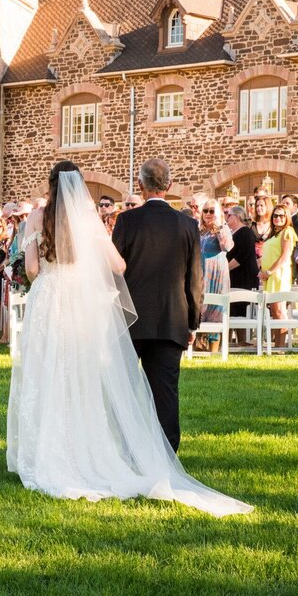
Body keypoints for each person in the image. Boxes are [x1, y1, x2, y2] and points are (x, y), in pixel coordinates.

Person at [7, 159, 250, 516]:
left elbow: (30, 269)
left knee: (48, 375)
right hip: (95, 306)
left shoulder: (37, 218)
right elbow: (119, 266)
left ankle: (49, 451)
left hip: (50, 302)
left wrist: (46, 274)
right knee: (86, 379)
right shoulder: (94, 221)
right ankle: (114, 453)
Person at [111, 159, 202, 454]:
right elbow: (194, 280)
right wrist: (192, 322)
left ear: (140, 186)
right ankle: (166, 456)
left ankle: (124, 451)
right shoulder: (188, 225)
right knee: (166, 394)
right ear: (170, 186)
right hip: (170, 320)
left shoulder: (127, 221)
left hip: (130, 320)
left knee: (123, 391)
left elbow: (114, 273)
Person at [195, 199, 233, 352]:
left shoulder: (223, 228)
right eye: (206, 211)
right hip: (201, 271)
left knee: (215, 306)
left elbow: (227, 247)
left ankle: (214, 349)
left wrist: (218, 229)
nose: (208, 214)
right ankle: (198, 345)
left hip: (216, 272)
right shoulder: (199, 230)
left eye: (212, 211)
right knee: (199, 305)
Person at [259, 203, 298, 346]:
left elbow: (284, 256)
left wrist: (269, 272)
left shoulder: (287, 231)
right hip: (269, 275)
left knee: (279, 311)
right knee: (274, 312)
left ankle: (281, 346)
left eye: (281, 215)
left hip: (278, 275)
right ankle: (276, 344)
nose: (278, 218)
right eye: (275, 215)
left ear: (287, 217)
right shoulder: (274, 233)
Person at [224, 205, 260, 346]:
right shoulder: (233, 233)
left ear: (238, 217)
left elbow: (241, 256)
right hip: (234, 278)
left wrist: (224, 269)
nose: (227, 218)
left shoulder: (245, 232)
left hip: (243, 278)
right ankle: (230, 341)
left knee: (240, 308)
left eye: (229, 215)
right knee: (232, 308)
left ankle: (243, 341)